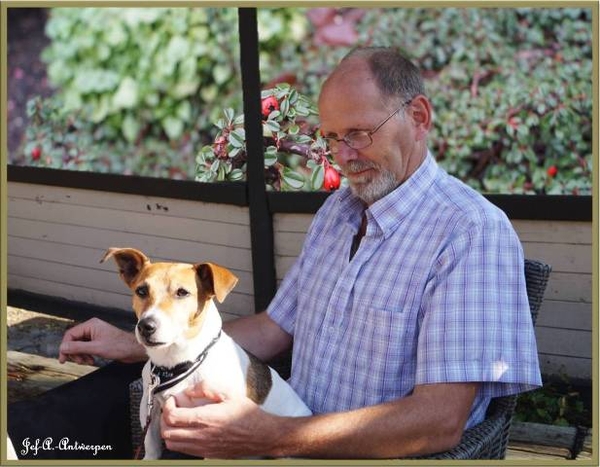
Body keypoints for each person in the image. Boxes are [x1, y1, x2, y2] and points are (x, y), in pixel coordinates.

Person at [9, 46, 541, 459]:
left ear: (419, 116)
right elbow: (274, 328)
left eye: (358, 134)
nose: (344, 157)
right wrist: (136, 342)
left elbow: (438, 421)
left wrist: (274, 434)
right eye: (332, 138)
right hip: (273, 422)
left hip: (338, 448)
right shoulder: (339, 212)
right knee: (97, 399)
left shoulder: (470, 233)